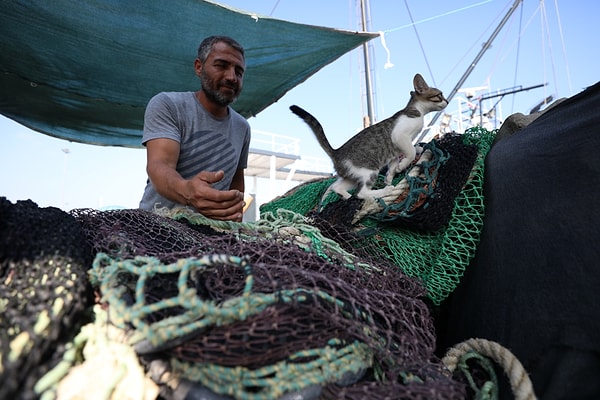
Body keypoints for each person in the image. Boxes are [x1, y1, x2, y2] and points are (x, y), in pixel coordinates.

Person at [139, 36, 250, 222]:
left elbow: (237, 182)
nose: (232, 77)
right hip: (156, 225)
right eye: (221, 65)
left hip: (211, 233)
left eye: (239, 72)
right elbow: (160, 165)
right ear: (199, 67)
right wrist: (188, 191)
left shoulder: (242, 127)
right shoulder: (168, 104)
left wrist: (233, 215)